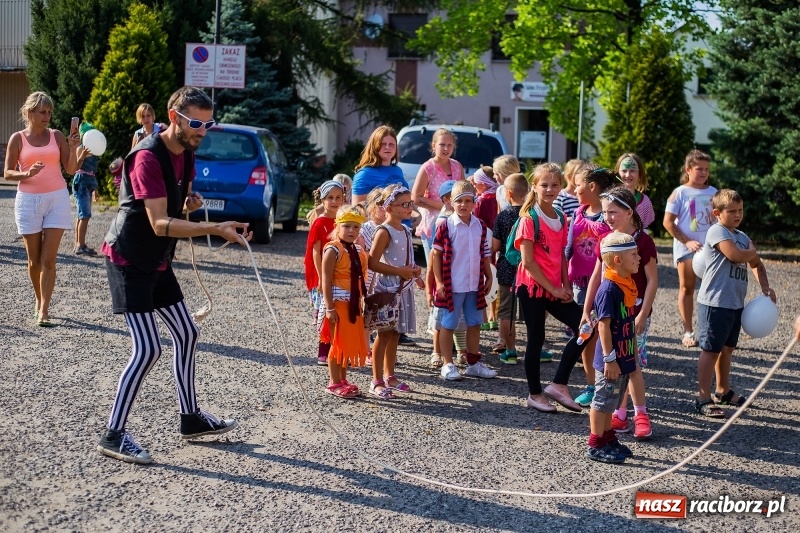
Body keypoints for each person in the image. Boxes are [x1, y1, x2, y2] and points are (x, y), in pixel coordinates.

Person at [97, 87, 251, 465]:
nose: (202, 130)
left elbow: (173, 206)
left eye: (208, 123)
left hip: (158, 260)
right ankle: (113, 434)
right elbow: (159, 222)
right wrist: (213, 229)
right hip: (129, 259)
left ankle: (191, 419)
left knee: (186, 331)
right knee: (148, 348)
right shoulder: (147, 155)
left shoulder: (188, 152)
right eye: (195, 122)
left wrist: (190, 202)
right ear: (174, 115)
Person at [694, 189, 775, 418]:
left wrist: (766, 287)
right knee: (710, 351)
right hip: (714, 302)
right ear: (717, 213)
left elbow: (756, 264)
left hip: (734, 304)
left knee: (727, 349)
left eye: (740, 210)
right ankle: (702, 398)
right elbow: (737, 256)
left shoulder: (742, 236)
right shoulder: (716, 231)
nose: (737, 215)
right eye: (732, 211)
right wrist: (751, 251)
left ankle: (723, 390)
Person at [584, 187, 657, 439]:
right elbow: (597, 275)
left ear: (629, 212)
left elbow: (653, 280)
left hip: (634, 315)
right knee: (614, 365)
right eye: (604, 212)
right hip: (611, 314)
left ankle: (641, 415)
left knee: (632, 365)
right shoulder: (606, 240)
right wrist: (586, 308)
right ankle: (620, 415)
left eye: (613, 212)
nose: (608, 217)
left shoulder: (644, 242)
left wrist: (643, 313)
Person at [3, 91, 80, 327]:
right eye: (42, 112)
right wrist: (26, 174)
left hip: (56, 198)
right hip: (28, 201)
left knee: (48, 260)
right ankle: (39, 300)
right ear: (30, 113)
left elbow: (71, 169)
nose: (47, 116)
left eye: (49, 112)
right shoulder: (18, 138)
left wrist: (74, 147)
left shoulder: (57, 136)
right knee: (34, 261)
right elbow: (7, 173)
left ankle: (44, 309)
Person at [514, 163, 585, 412]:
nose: (550, 189)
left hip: (554, 287)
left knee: (585, 327)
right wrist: (554, 289)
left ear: (561, 186)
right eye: (544, 184)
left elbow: (561, 256)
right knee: (536, 339)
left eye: (555, 184)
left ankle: (559, 384)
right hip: (532, 287)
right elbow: (528, 261)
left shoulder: (561, 217)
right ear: (534, 186)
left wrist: (565, 284)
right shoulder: (529, 217)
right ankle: (534, 394)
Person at [431, 180, 497, 381]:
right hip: (453, 285)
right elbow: (435, 254)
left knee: (474, 323)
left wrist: (488, 276)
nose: (464, 205)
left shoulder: (480, 226)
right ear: (451, 202)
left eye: (469, 201)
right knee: (448, 324)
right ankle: (447, 364)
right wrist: (440, 283)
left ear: (474, 203)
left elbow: (484, 252)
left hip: (474, 283)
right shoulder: (446, 226)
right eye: (460, 201)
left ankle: (473, 363)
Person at [586, 231, 640, 464]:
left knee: (612, 401)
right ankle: (596, 443)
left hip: (623, 357)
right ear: (617, 260)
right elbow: (604, 328)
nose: (638, 258)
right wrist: (609, 359)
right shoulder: (609, 289)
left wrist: (632, 353)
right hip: (611, 360)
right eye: (634, 254)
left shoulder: (626, 284)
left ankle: (608, 437)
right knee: (602, 400)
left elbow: (627, 322)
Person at [566, 164, 614, 406]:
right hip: (581, 285)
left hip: (606, 286)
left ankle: (608, 385)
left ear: (592, 186)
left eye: (578, 185)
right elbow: (569, 247)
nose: (574, 190)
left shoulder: (608, 216)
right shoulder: (577, 213)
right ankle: (590, 385)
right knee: (585, 335)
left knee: (606, 333)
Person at [368, 185, 423, 397]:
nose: (409, 208)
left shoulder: (406, 230)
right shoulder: (384, 231)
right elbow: (372, 263)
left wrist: (415, 273)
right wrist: (399, 271)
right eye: (404, 204)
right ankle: (376, 380)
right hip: (388, 289)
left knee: (395, 334)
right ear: (389, 207)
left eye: (410, 203)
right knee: (383, 334)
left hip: (403, 289)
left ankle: (390, 376)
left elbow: (407, 259)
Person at [663, 149, 717, 348]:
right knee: (687, 288)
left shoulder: (714, 193)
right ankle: (688, 331)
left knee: (711, 290)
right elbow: (668, 222)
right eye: (699, 169)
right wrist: (687, 242)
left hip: (710, 250)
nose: (703, 173)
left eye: (706, 169)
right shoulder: (680, 192)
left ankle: (710, 332)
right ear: (688, 169)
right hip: (687, 249)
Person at [320, 206, 370, 398]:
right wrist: (329, 307)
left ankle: (342, 379)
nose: (352, 231)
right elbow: (325, 279)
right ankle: (334, 383)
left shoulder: (357, 249)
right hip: (337, 304)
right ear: (337, 226)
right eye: (347, 226)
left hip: (352, 304)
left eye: (356, 227)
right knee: (337, 343)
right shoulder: (332, 250)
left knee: (346, 343)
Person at [426, 180, 468, 367]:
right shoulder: (444, 221)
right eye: (456, 198)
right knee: (440, 320)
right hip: (443, 280)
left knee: (460, 320)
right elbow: (434, 257)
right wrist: (431, 287)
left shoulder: (469, 222)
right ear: (447, 199)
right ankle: (437, 352)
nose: (463, 204)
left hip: (460, 280)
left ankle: (461, 351)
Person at [304, 180, 345, 365]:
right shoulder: (320, 223)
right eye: (330, 198)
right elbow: (315, 252)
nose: (334, 201)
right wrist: (321, 278)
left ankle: (339, 349)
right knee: (325, 312)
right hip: (323, 275)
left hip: (340, 275)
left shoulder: (343, 221)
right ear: (323, 199)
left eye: (338, 197)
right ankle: (323, 349)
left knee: (340, 312)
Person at [491, 173, 529, 364]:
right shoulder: (531, 215)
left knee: (506, 311)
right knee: (531, 311)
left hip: (507, 268)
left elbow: (495, 247)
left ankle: (511, 351)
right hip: (529, 269)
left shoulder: (503, 216)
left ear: (508, 193)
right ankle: (535, 350)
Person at [412, 128, 466, 261]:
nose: (446, 148)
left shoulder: (457, 166)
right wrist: (443, 206)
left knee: (452, 268)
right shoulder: (428, 167)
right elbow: (415, 198)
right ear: (434, 145)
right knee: (434, 269)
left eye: (449, 145)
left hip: (455, 224)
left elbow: (465, 191)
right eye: (442, 144)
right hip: (433, 225)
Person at [351, 125, 407, 204]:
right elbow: (358, 210)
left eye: (391, 144)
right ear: (374, 147)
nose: (387, 147)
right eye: (383, 144)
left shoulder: (398, 170)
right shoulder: (364, 174)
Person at [72, 122, 100, 255]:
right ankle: (80, 245)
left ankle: (78, 244)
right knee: (84, 215)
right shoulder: (80, 149)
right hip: (81, 182)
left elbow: (93, 172)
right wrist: (81, 157)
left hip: (89, 183)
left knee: (82, 214)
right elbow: (75, 167)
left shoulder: (95, 151)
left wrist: (95, 189)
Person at [614, 153, 655, 230]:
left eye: (632, 170)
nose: (628, 175)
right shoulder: (609, 199)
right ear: (617, 172)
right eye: (624, 171)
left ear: (639, 173)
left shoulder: (645, 202)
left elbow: (645, 229)